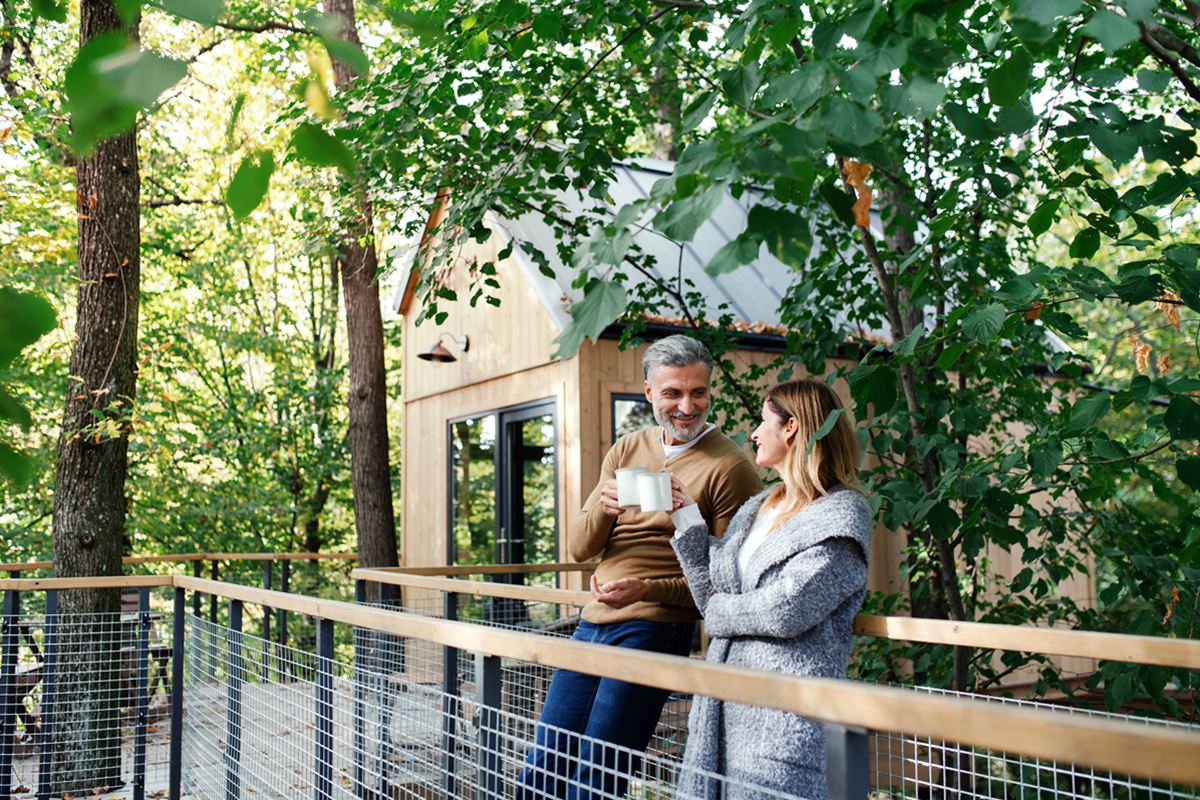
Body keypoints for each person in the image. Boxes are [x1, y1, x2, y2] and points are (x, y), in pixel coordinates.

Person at [515, 334, 762, 800]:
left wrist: (647, 589)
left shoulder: (730, 467)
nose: (687, 406)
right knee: (544, 762)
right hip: (594, 621)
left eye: (699, 392)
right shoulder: (627, 449)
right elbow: (578, 548)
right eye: (673, 393)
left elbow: (729, 583)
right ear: (649, 392)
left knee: (597, 774)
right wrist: (605, 509)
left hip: (655, 627)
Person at [669, 378, 873, 800]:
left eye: (763, 422)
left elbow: (787, 609)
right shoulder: (756, 507)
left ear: (793, 427)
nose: (755, 434)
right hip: (723, 705)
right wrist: (687, 519)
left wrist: (722, 616)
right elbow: (711, 596)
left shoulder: (841, 515)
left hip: (781, 716)